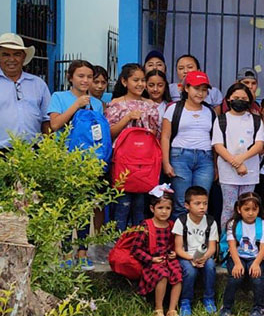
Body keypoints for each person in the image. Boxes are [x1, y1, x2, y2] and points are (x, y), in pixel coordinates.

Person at [48, 59, 104, 269]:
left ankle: (82, 251)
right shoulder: (59, 97)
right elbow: (54, 125)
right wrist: (76, 105)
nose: (85, 80)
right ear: (70, 77)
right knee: (64, 208)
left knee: (83, 207)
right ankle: (64, 252)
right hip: (64, 160)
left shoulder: (97, 103)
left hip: (88, 161)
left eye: (89, 77)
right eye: (81, 76)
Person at [105, 62, 161, 231]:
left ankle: (137, 245)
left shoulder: (151, 105)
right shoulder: (116, 104)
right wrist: (127, 117)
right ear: (124, 82)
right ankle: (119, 245)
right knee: (122, 204)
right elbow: (109, 134)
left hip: (144, 162)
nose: (140, 84)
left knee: (140, 205)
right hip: (123, 162)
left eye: (143, 80)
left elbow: (157, 134)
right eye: (135, 80)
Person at [161, 71, 216, 219]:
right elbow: (165, 137)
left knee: (201, 203)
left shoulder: (210, 112)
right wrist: (166, 163)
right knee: (180, 202)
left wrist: (215, 165)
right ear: (186, 88)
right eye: (197, 88)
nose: (201, 93)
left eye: (204, 90)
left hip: (205, 159)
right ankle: (180, 240)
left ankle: (199, 239)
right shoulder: (174, 109)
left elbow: (215, 140)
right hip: (180, 156)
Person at [212, 83, 264, 230]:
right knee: (229, 207)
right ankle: (226, 243)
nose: (239, 100)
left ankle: (244, 241)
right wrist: (236, 163)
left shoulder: (255, 120)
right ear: (228, 99)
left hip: (250, 172)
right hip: (228, 173)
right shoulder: (221, 120)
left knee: (248, 207)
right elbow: (218, 146)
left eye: (243, 98)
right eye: (236, 97)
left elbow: (259, 144)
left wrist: (241, 160)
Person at [130, 191, 181, 316]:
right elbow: (135, 249)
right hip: (152, 262)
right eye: (160, 208)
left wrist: (174, 253)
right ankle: (159, 310)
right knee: (162, 274)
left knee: (177, 273)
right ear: (152, 209)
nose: (164, 212)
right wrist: (151, 259)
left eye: (168, 208)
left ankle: (172, 309)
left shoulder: (171, 225)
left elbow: (175, 244)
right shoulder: (145, 226)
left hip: (167, 260)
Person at [218, 192, 264, 316]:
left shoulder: (263, 224)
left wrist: (257, 263)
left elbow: (263, 247)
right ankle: (226, 307)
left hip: (255, 257)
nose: (251, 213)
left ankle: (259, 308)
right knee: (236, 277)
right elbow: (232, 246)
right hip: (237, 256)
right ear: (238, 209)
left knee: (257, 279)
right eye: (247, 209)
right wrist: (237, 263)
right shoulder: (233, 224)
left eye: (254, 209)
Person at [173, 185, 219, 316]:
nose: (202, 207)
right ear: (187, 205)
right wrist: (191, 258)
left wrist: (204, 258)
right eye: (197, 203)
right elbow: (178, 248)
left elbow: (212, 248)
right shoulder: (181, 221)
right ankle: (185, 301)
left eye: (205, 203)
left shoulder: (210, 222)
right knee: (190, 271)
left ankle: (209, 298)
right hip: (186, 256)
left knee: (210, 266)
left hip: (204, 256)